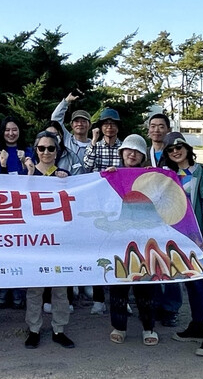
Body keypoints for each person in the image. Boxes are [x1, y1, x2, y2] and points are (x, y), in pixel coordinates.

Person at [161, 132, 203, 357]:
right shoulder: (168, 176)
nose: (175, 151)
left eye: (179, 147)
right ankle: (197, 325)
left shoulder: (202, 174)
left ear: (187, 148)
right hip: (178, 238)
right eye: (170, 149)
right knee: (190, 282)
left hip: (198, 238)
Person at [23, 131, 75, 350]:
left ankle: (59, 329)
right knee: (34, 288)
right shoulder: (27, 175)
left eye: (50, 148)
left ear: (57, 151)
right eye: (41, 148)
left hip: (59, 242)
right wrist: (28, 175)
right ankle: (33, 329)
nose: (46, 152)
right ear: (36, 150)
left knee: (60, 289)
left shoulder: (64, 176)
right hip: (34, 241)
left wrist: (66, 182)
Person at [104, 134, 158, 346]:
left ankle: (149, 327)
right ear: (121, 153)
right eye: (128, 150)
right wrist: (106, 178)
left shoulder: (150, 176)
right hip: (118, 239)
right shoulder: (112, 174)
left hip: (145, 239)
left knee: (145, 286)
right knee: (119, 285)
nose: (132, 154)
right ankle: (119, 326)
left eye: (137, 151)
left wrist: (155, 178)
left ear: (143, 155)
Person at [83, 108, 123, 315]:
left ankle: (121, 299)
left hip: (119, 206)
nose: (109, 127)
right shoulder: (96, 147)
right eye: (105, 123)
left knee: (120, 250)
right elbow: (86, 167)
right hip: (98, 206)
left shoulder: (124, 147)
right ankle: (98, 299)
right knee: (99, 250)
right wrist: (92, 141)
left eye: (112, 123)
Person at [146, 113, 181, 327]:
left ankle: (171, 307)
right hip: (148, 213)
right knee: (151, 258)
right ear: (148, 130)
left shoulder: (173, 153)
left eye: (161, 126)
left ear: (168, 129)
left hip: (170, 213)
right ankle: (155, 303)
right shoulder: (143, 153)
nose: (157, 130)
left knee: (170, 258)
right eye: (153, 126)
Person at [50, 90, 92, 162]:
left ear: (90, 125)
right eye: (76, 121)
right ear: (71, 125)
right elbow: (55, 119)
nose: (80, 124)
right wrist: (66, 101)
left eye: (84, 121)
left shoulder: (95, 145)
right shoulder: (66, 138)